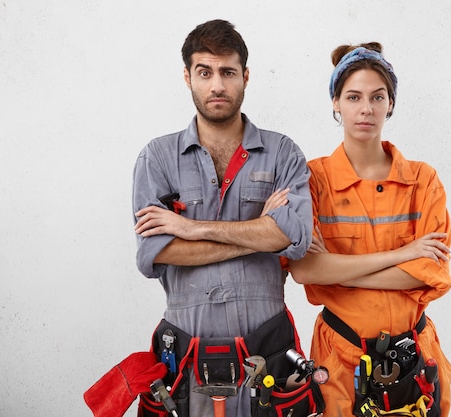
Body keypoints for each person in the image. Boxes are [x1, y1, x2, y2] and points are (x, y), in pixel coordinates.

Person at [131, 19, 313, 417]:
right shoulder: (157, 158)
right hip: (183, 352)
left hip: (267, 345)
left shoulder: (283, 153)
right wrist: (257, 233)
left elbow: (294, 236)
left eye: (228, 72)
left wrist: (191, 229)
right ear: (187, 77)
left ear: (245, 77)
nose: (217, 85)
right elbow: (154, 253)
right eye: (205, 72)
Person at [288, 42, 451, 417]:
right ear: (335, 102)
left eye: (378, 97)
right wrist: (402, 255)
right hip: (342, 362)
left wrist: (338, 272)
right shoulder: (313, 180)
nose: (366, 108)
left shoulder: (423, 181)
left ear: (390, 104)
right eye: (353, 97)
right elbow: (305, 270)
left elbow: (432, 271)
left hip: (415, 361)